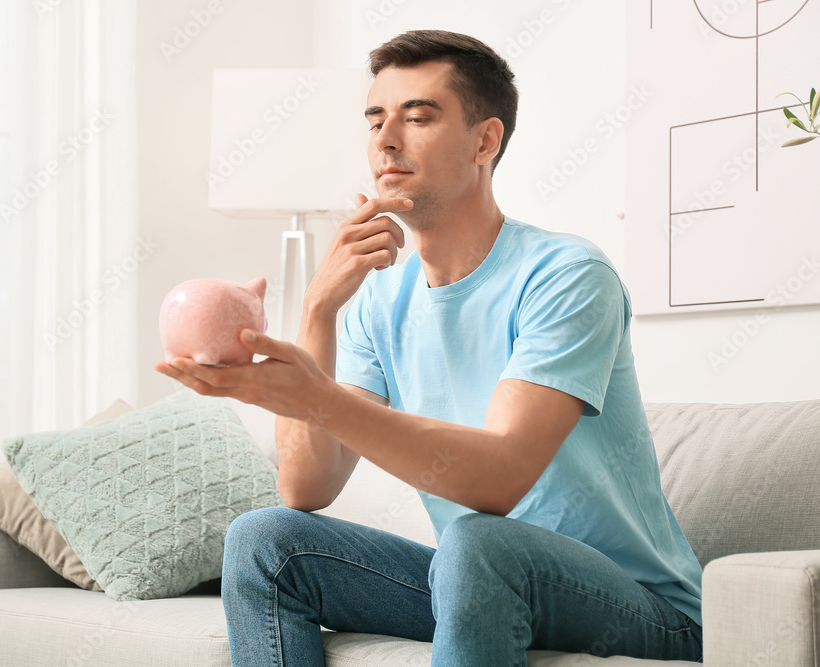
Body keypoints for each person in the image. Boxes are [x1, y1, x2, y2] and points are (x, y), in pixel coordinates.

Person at [156, 29, 704, 666]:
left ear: (485, 141)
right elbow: (307, 488)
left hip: (640, 607)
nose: (386, 140)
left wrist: (318, 399)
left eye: (417, 117)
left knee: (476, 541)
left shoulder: (566, 276)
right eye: (375, 120)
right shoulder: (376, 302)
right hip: (480, 580)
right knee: (265, 540)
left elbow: (499, 481)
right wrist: (318, 308)